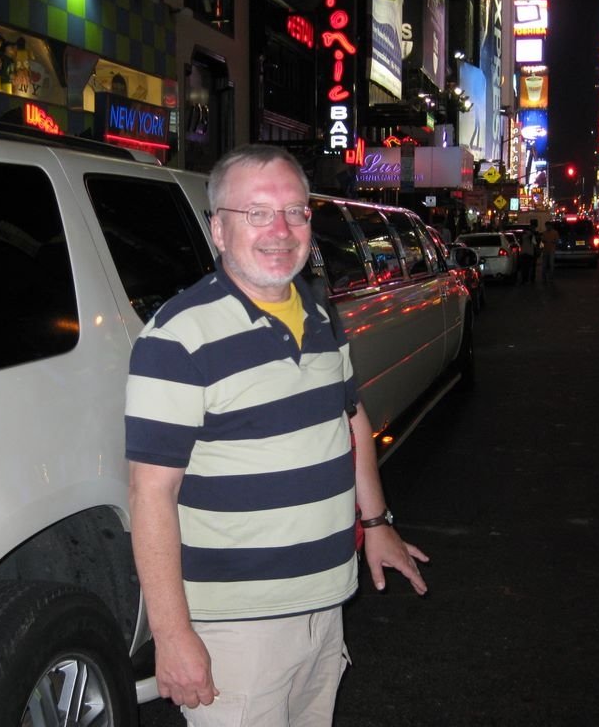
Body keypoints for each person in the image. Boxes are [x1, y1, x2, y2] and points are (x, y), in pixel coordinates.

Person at [125, 144, 429, 725]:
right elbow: (150, 494)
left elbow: (351, 419)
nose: (281, 230)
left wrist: (377, 523)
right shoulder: (177, 338)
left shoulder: (319, 314)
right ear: (218, 228)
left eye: (295, 211)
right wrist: (173, 635)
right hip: (237, 629)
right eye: (257, 213)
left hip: (325, 605)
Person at [540, 220, 559, 284]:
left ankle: (551, 278)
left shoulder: (555, 233)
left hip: (551, 251)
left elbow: (557, 241)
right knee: (544, 265)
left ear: (551, 226)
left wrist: (552, 242)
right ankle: (544, 278)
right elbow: (542, 242)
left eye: (548, 226)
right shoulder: (544, 233)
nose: (547, 227)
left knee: (551, 265)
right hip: (545, 251)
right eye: (547, 226)